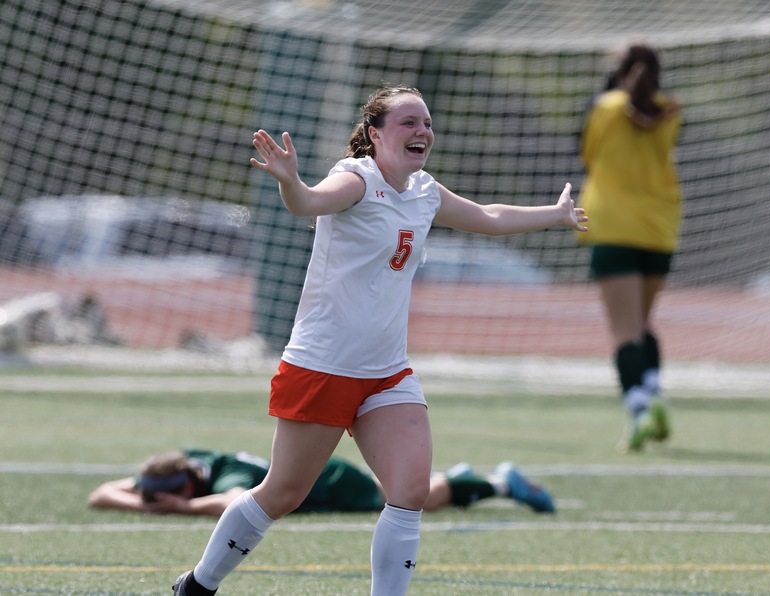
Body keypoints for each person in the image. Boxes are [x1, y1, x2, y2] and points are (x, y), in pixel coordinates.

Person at [173, 83, 587, 596]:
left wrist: (555, 213)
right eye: (409, 122)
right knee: (282, 492)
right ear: (375, 133)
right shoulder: (356, 179)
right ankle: (197, 585)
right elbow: (307, 203)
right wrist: (289, 182)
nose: (423, 132)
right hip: (323, 366)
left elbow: (487, 217)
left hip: (386, 371)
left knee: (410, 490)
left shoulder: (424, 192)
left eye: (427, 123)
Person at [577, 41, 682, 452]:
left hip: (612, 226)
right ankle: (655, 389)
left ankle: (640, 408)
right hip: (660, 228)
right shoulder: (671, 110)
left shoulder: (604, 108)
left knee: (624, 332)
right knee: (640, 324)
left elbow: (589, 153)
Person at [87, 449, 555, 517]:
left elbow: (234, 501)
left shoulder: (227, 473)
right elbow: (101, 492)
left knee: (414, 500)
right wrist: (144, 503)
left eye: (177, 491)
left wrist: (185, 509)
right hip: (318, 474)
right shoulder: (188, 465)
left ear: (191, 480)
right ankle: (461, 478)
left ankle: (500, 484)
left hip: (334, 482)